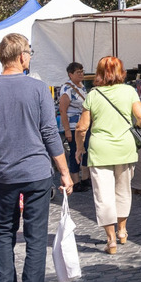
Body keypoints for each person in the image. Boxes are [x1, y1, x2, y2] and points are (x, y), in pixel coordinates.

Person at [0, 33, 73, 282]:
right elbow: (49, 133)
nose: (30, 57)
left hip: (4, 175)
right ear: (21, 56)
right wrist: (64, 172)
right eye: (29, 52)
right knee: (35, 236)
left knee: (3, 233)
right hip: (36, 172)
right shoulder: (38, 89)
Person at [75, 56, 141, 254]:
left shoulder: (93, 94)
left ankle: (111, 240)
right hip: (125, 148)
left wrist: (79, 148)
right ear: (121, 72)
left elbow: (82, 127)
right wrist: (133, 127)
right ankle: (122, 231)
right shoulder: (129, 91)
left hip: (100, 150)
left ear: (99, 73)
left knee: (103, 195)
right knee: (123, 190)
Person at [57, 62, 91, 190]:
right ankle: (75, 181)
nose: (81, 74)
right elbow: (63, 110)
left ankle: (85, 178)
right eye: (78, 72)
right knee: (74, 152)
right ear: (70, 74)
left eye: (82, 71)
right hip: (73, 126)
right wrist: (67, 131)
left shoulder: (82, 87)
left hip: (83, 124)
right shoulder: (67, 89)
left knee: (85, 150)